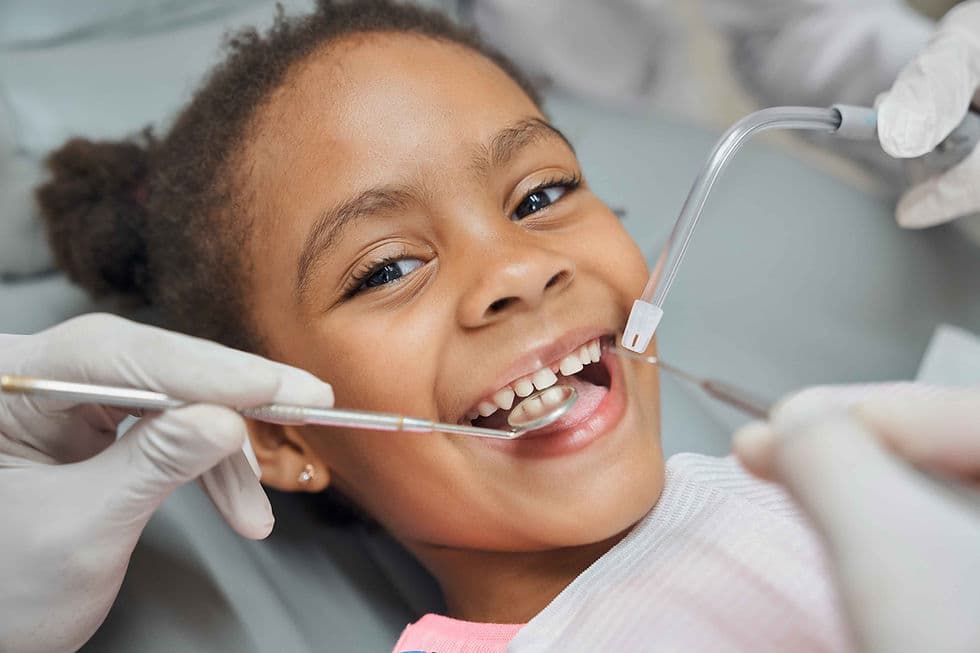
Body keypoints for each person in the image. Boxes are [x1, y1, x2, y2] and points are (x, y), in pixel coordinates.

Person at [0, 2, 976, 652]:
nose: (516, 269)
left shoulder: (872, 440)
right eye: (385, 267)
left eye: (541, 191)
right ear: (277, 432)